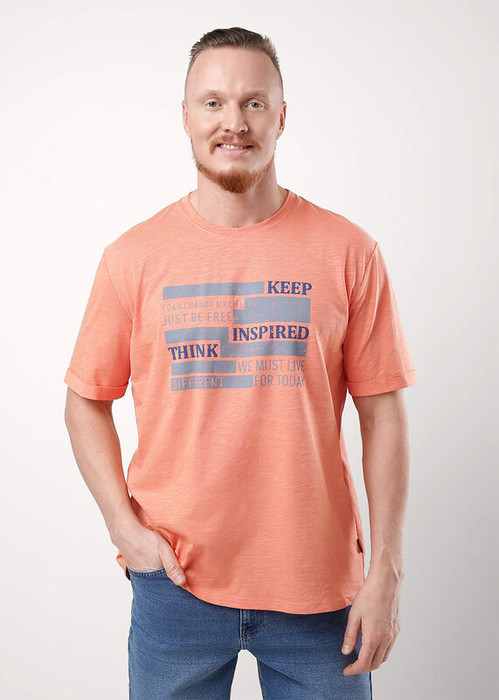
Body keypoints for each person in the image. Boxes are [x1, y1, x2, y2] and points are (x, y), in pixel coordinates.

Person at [64, 26, 417, 700]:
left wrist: (388, 571)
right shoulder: (132, 258)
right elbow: (85, 400)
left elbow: (383, 415)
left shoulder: (348, 251)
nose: (234, 122)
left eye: (254, 103)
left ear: (281, 117)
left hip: (319, 588)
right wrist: (122, 527)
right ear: (186, 117)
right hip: (174, 582)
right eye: (213, 103)